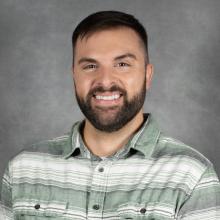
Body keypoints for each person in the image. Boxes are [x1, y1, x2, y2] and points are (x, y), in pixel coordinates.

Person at [1, 10, 220, 220]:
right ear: (74, 76)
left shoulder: (192, 176)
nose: (105, 81)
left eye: (122, 64)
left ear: (147, 75)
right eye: (90, 66)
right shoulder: (23, 169)